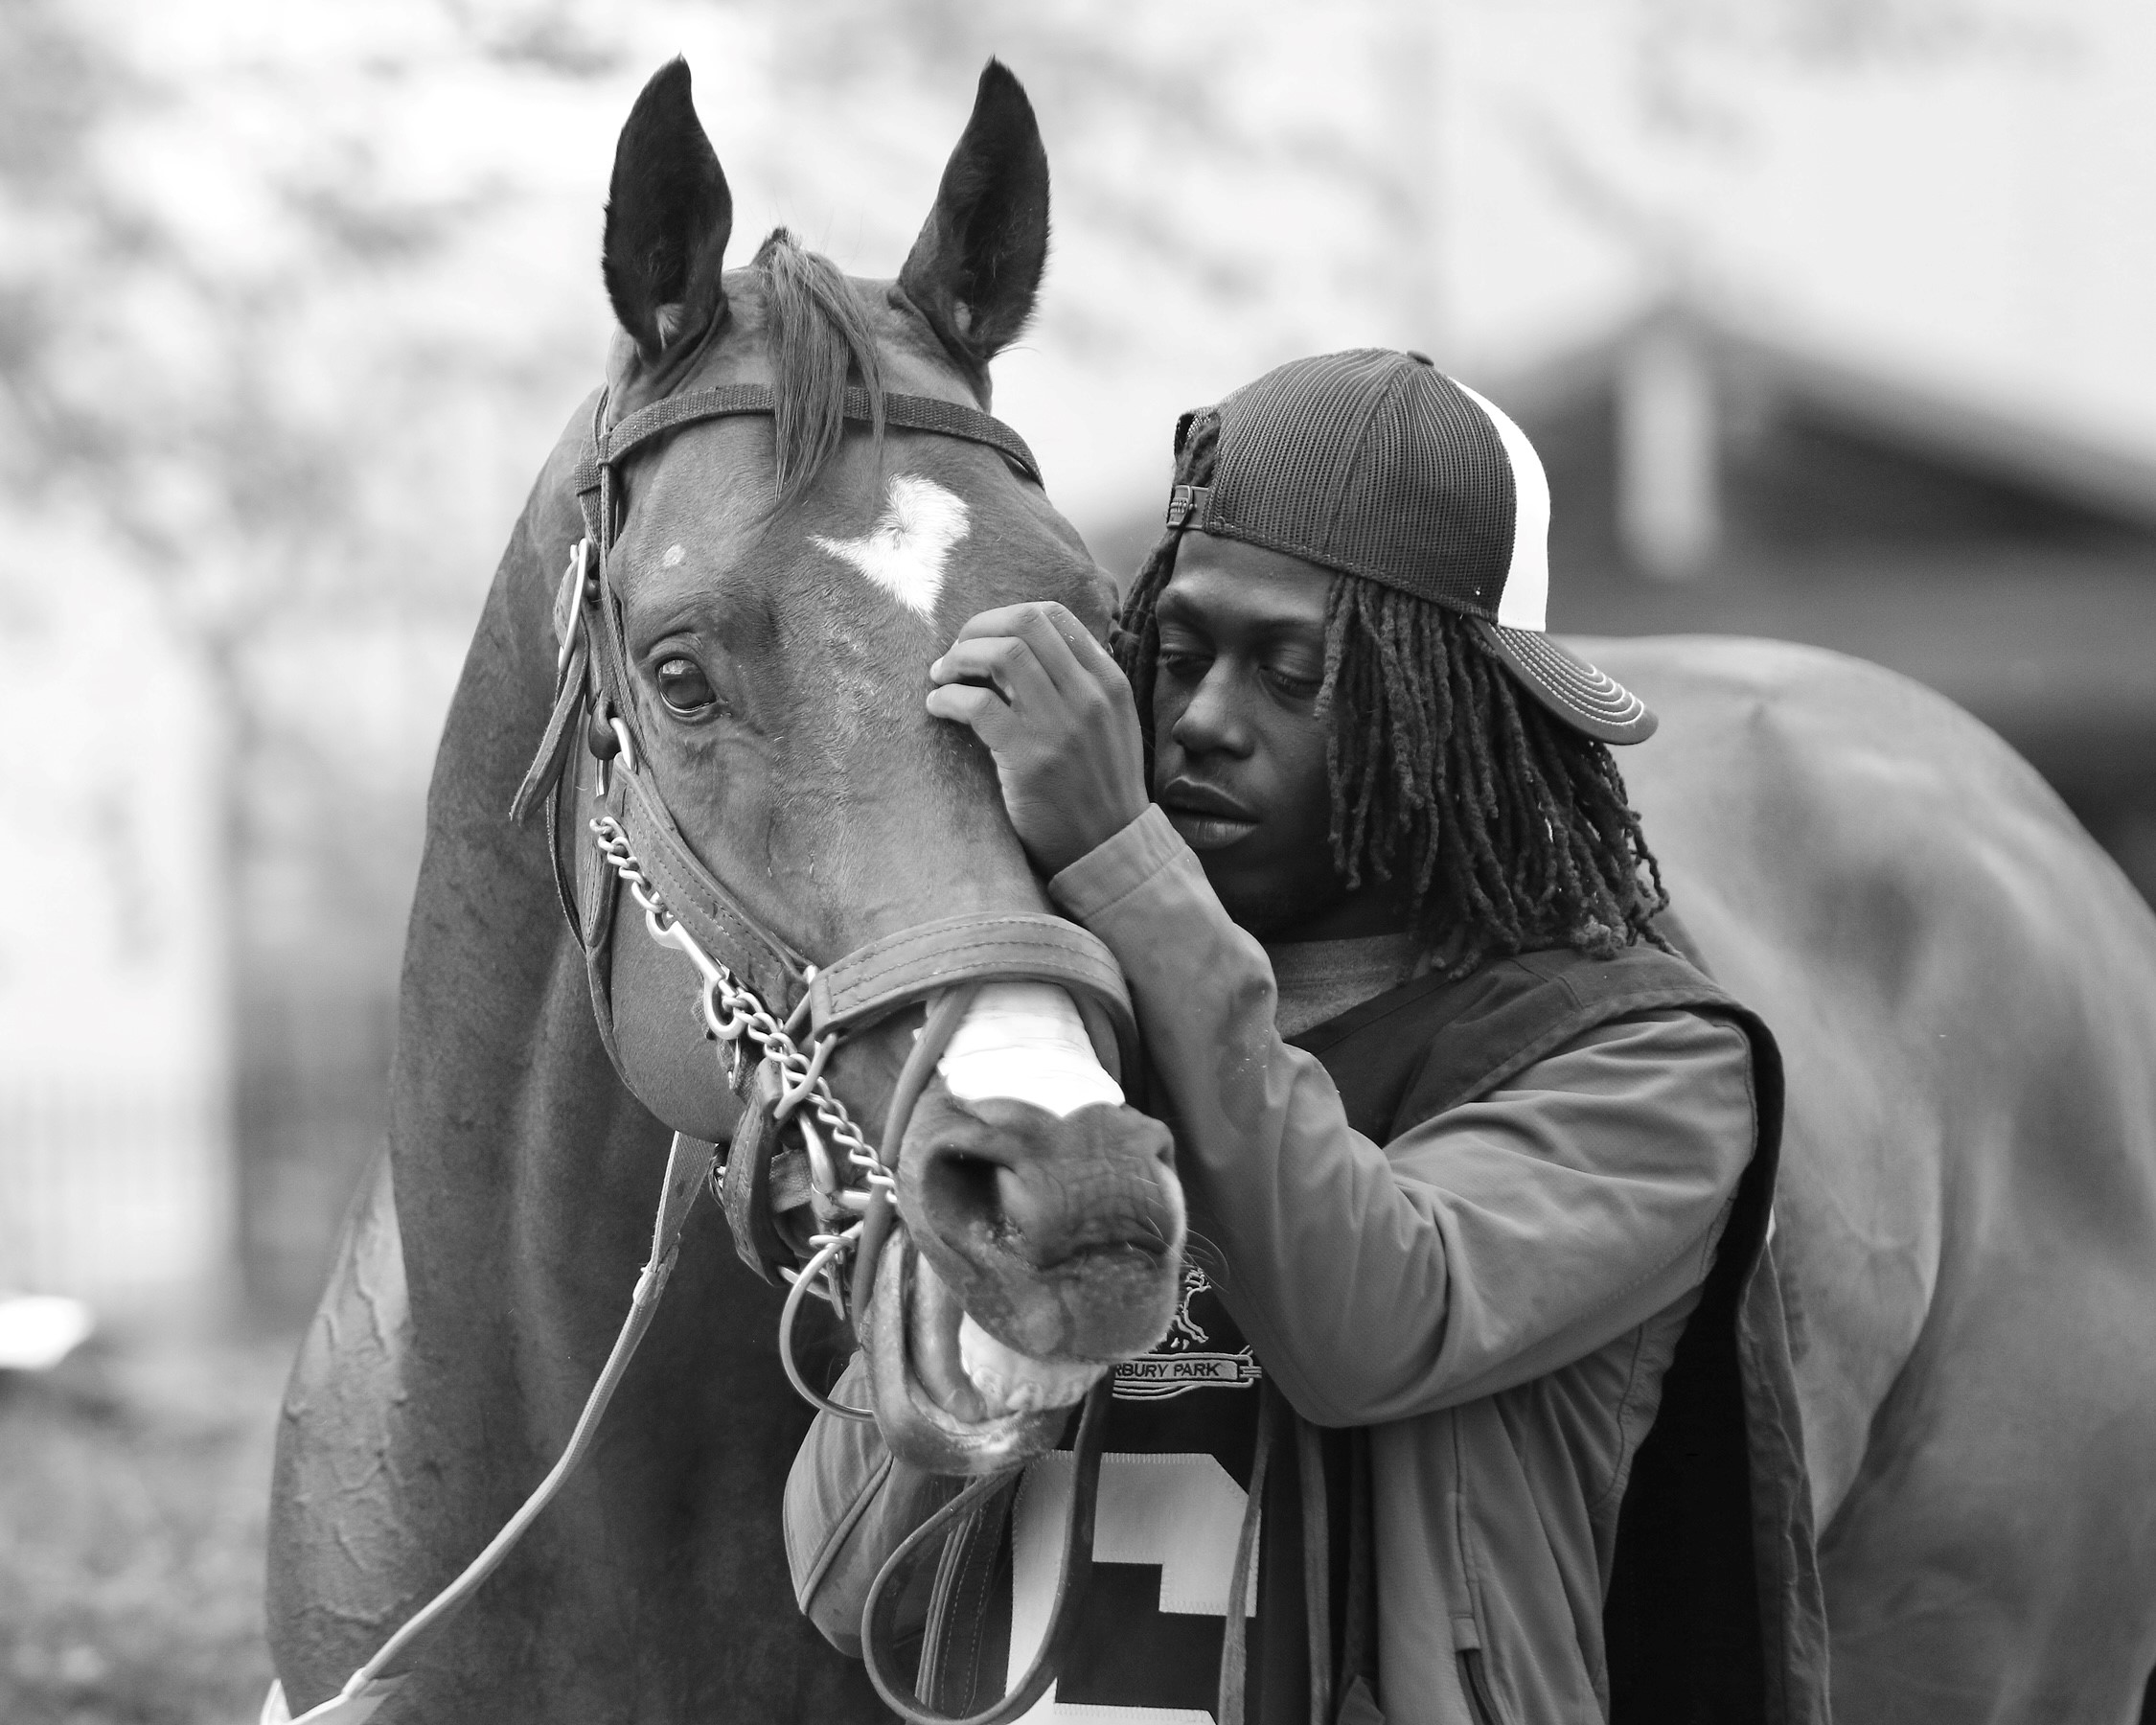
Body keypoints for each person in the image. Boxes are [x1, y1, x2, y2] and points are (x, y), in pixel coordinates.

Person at [785, 350, 1823, 1725]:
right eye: (1178, 653)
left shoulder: (1647, 1062)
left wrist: (1119, 857)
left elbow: (1367, 1324)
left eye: (1292, 672)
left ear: (1465, 714)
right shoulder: (1065, 1028)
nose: (1206, 720)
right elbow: (841, 1577)